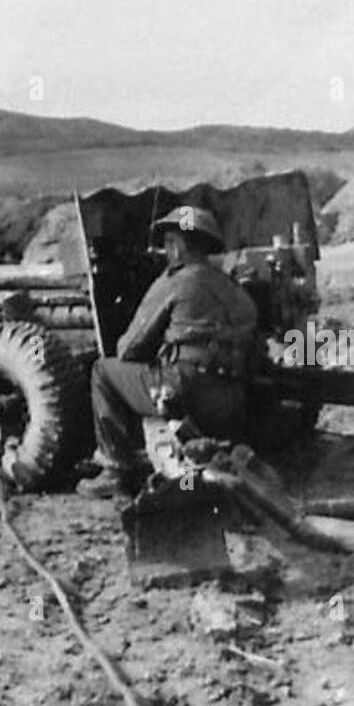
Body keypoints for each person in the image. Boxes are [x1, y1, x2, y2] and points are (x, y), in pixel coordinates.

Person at [87, 206, 258, 494]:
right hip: (231, 401)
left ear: (177, 247)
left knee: (103, 371)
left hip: (185, 392)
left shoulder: (175, 281)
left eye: (168, 243)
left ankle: (115, 469)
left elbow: (128, 348)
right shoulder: (234, 288)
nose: (166, 251)